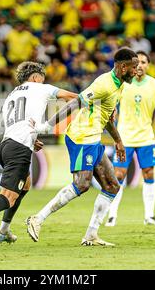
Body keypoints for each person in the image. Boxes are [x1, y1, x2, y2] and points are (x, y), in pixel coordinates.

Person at [0, 61, 77, 249]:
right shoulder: (40, 88)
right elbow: (72, 98)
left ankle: (4, 231)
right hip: (19, 148)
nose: (43, 81)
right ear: (36, 77)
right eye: (42, 78)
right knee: (8, 197)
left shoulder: (11, 95)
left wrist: (33, 139)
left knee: (25, 185)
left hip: (6, 146)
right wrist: (93, 99)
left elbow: (16, 124)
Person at [26, 47, 139, 246]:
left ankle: (91, 235)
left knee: (112, 186)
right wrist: (47, 125)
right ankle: (37, 218)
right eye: (134, 67)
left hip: (93, 138)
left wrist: (118, 141)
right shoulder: (104, 84)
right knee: (82, 184)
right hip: (81, 137)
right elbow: (75, 102)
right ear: (122, 67)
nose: (136, 71)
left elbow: (106, 118)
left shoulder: (120, 84)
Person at [105, 51, 155, 227]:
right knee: (118, 175)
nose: (140, 65)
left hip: (146, 138)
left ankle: (149, 216)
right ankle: (112, 215)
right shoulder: (124, 83)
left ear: (148, 65)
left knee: (149, 173)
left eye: (143, 62)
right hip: (124, 137)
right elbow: (112, 103)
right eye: (137, 62)